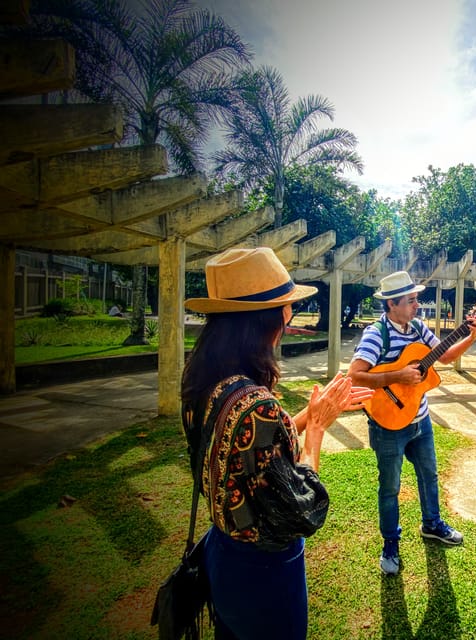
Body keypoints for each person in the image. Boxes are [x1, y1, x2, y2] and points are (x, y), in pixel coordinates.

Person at [181, 247, 372, 640]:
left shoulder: (207, 385)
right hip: (263, 576)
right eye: (285, 308)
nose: (289, 317)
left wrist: (309, 414)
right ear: (266, 320)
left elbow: (256, 453)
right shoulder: (257, 405)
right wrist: (317, 428)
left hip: (222, 555)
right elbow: (302, 508)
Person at [347, 270, 476, 575]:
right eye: (410, 301)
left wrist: (471, 335)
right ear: (392, 304)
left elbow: (444, 356)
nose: (416, 305)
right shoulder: (375, 334)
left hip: (420, 420)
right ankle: (390, 543)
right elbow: (354, 375)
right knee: (390, 488)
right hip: (386, 423)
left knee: (429, 475)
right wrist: (398, 375)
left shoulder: (418, 328)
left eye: (416, 299)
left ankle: (432, 524)